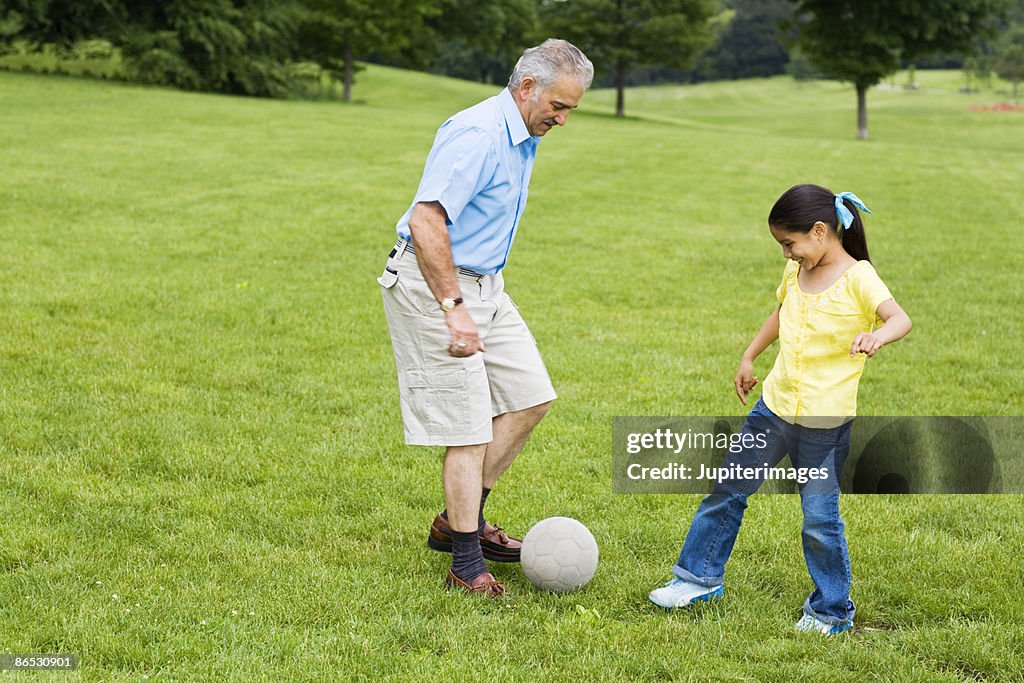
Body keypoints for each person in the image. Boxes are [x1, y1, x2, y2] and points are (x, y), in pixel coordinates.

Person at [379, 39, 594, 597]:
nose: (564, 119)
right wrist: (453, 309)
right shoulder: (477, 135)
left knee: (530, 398)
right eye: (560, 106)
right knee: (468, 428)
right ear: (527, 87)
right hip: (435, 288)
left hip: (486, 286)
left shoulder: (523, 133)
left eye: (571, 108)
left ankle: (457, 521)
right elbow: (427, 221)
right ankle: (465, 561)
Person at [648, 184, 912, 634]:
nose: (787, 254)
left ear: (819, 231)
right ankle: (698, 578)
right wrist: (750, 356)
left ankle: (830, 610)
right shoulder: (795, 275)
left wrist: (877, 337)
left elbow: (900, 319)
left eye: (790, 244)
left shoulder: (859, 277)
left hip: (823, 423)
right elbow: (780, 313)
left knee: (819, 519)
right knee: (727, 491)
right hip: (773, 408)